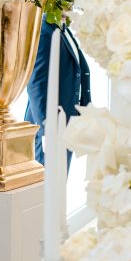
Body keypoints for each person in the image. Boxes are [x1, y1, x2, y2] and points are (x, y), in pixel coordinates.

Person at [24, 18, 91, 168]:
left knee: (59, 185)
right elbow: (36, 83)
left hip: (67, 124)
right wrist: (47, 130)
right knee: (45, 186)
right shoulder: (44, 30)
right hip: (50, 126)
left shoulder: (63, 29)